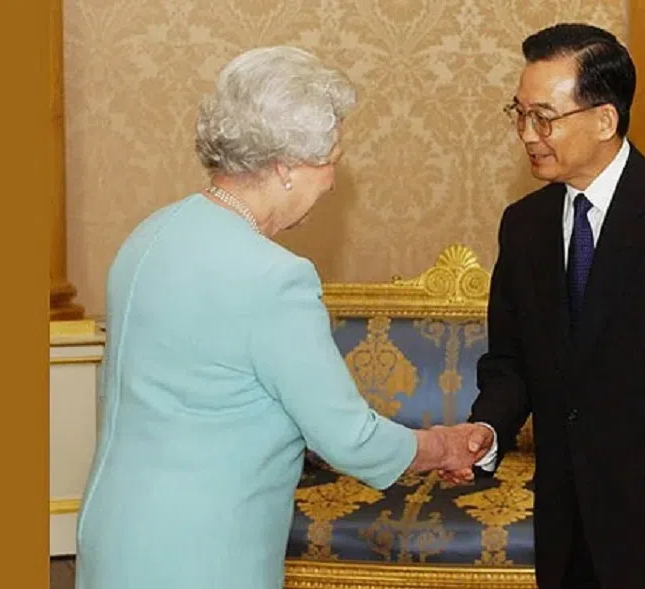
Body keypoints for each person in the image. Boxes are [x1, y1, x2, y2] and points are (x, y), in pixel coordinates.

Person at [74, 46, 487, 589]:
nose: (333, 181)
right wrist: (446, 447)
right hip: (204, 551)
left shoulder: (150, 233)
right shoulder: (272, 277)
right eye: (331, 158)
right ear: (285, 165)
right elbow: (349, 439)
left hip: (115, 533)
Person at [441, 23, 645, 589]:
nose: (527, 134)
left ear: (604, 119)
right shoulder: (524, 227)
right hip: (566, 517)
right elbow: (512, 361)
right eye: (519, 114)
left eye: (544, 117)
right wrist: (489, 430)